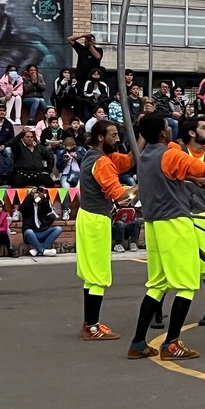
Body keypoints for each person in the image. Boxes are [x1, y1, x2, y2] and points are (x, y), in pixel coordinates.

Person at [127, 114, 205, 361]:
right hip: (175, 222)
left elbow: (169, 175)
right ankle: (172, 343)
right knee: (186, 284)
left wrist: (189, 178)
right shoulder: (170, 154)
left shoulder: (145, 157)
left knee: (157, 284)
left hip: (154, 226)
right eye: (167, 128)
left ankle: (139, 342)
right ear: (163, 133)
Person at [155, 116, 205, 329]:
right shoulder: (177, 153)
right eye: (204, 128)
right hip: (176, 215)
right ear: (191, 133)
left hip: (201, 213)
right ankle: (157, 310)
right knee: (169, 262)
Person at [75, 120, 138, 341]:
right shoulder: (101, 162)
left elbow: (130, 160)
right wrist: (142, 185)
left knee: (92, 275)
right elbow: (120, 196)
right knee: (98, 274)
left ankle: (90, 322)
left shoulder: (99, 156)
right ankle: (91, 326)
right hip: (95, 220)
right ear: (101, 137)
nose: (118, 139)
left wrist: (143, 137)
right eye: (113, 135)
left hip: (90, 217)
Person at [19, 186, 62, 257]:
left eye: (38, 194)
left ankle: (38, 250)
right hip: (31, 234)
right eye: (36, 194)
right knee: (29, 232)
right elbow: (22, 208)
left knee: (58, 229)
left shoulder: (42, 204)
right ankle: (42, 251)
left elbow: (48, 210)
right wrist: (30, 195)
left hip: (42, 232)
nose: (37, 195)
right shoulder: (28, 205)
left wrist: (44, 198)